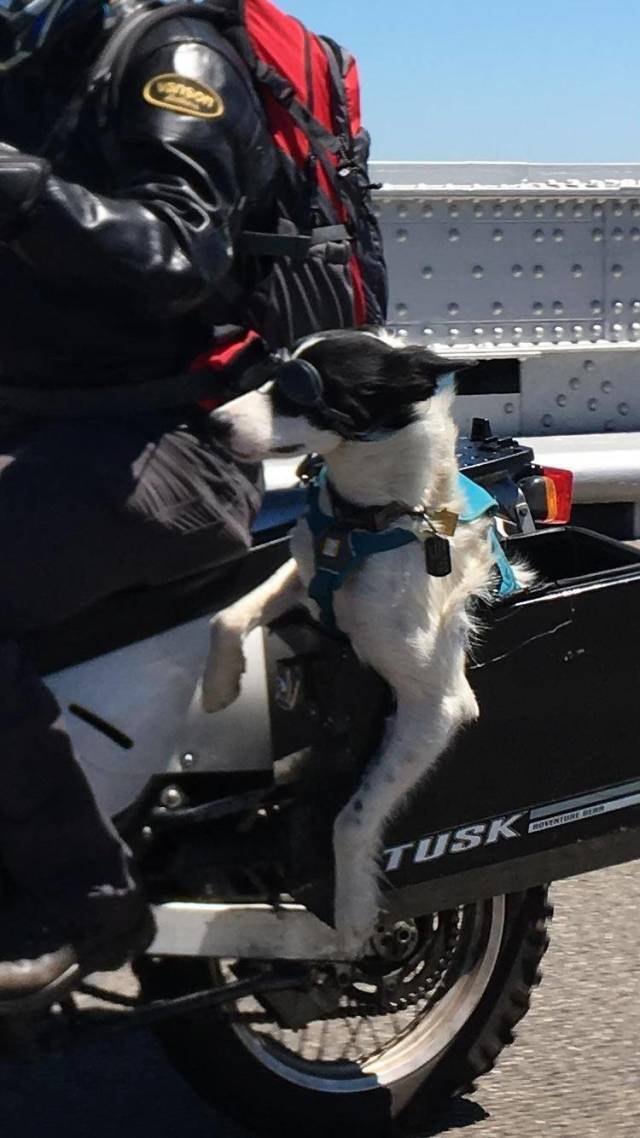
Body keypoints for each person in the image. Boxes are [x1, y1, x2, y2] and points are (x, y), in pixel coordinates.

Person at [0, 0, 388, 1014]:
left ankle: (76, 897)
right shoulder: (29, 59)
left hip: (174, 442)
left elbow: (181, 249)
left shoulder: (174, 55)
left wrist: (29, 193)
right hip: (48, 428)